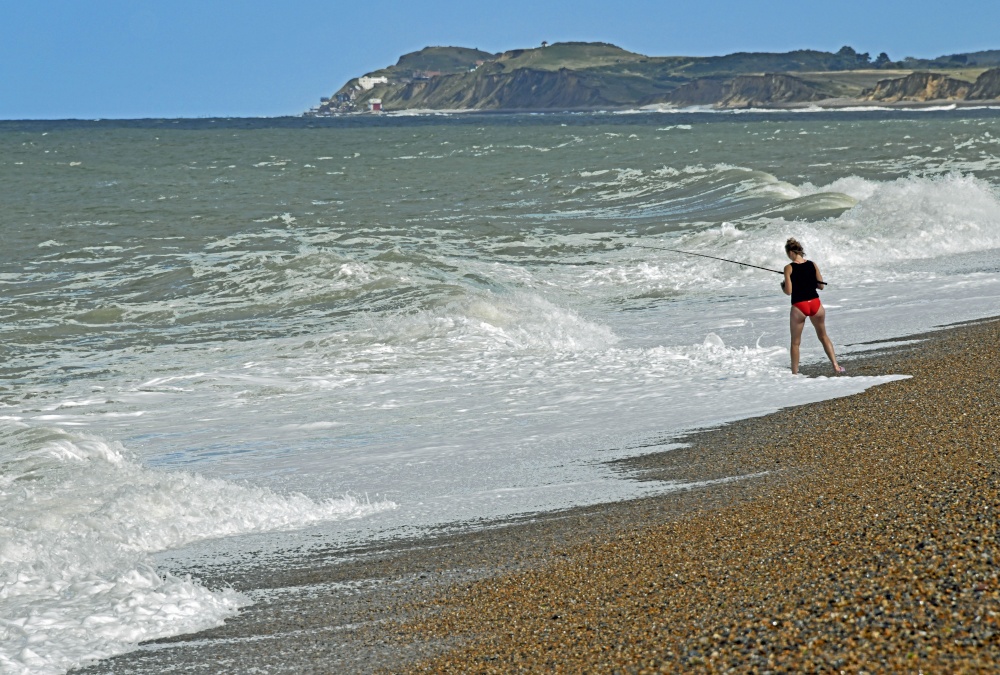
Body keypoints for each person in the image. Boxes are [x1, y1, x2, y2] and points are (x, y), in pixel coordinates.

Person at [781, 237, 845, 375]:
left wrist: (783, 285)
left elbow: (788, 291)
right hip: (816, 304)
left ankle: (794, 373)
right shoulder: (812, 264)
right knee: (823, 337)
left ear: (791, 252)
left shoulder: (788, 268)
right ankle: (836, 366)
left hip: (800, 306)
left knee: (795, 343)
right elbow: (821, 286)